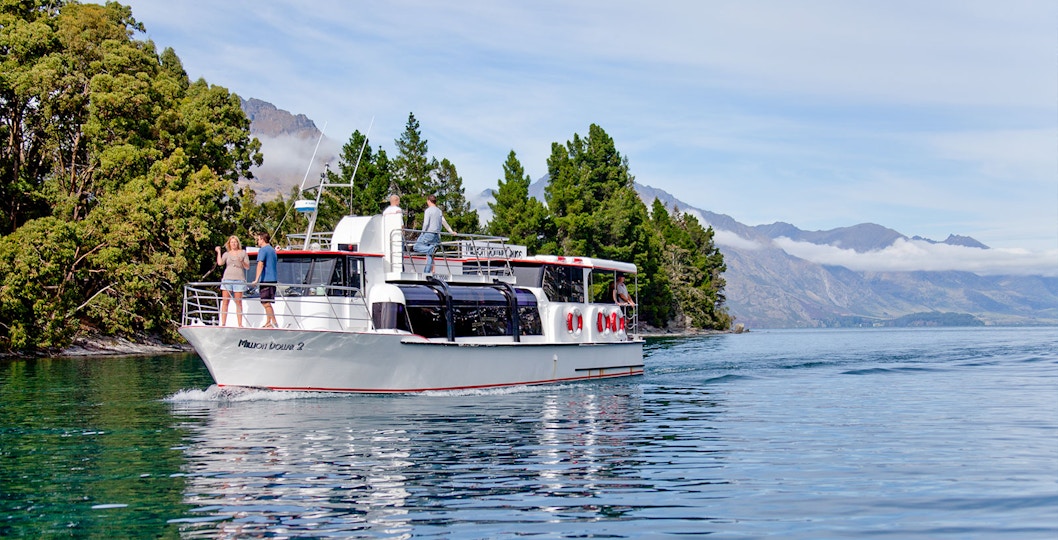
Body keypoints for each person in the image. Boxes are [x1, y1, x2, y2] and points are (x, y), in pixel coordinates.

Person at [412, 194, 455, 273]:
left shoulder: (428, 210)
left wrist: (422, 233)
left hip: (429, 233)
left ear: (428, 201)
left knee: (416, 247)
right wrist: (451, 231)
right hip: (437, 235)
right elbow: (444, 222)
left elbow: (426, 223)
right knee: (430, 255)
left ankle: (430, 250)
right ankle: (426, 272)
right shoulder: (439, 211)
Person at [215, 235, 250, 327]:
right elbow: (220, 263)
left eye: (235, 242)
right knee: (225, 301)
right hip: (227, 279)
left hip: (239, 279)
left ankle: (240, 324)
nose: (234, 244)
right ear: (229, 244)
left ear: (238, 243)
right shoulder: (227, 254)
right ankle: (223, 323)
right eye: (232, 242)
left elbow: (247, 267)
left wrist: (242, 261)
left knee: (238, 302)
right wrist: (218, 252)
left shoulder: (243, 253)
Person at [251, 231, 279, 328]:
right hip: (273, 279)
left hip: (266, 280)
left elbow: (260, 264)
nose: (257, 242)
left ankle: (274, 322)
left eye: (258, 239)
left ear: (262, 239)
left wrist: (256, 279)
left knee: (265, 302)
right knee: (267, 301)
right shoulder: (272, 250)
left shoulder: (263, 250)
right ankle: (268, 322)